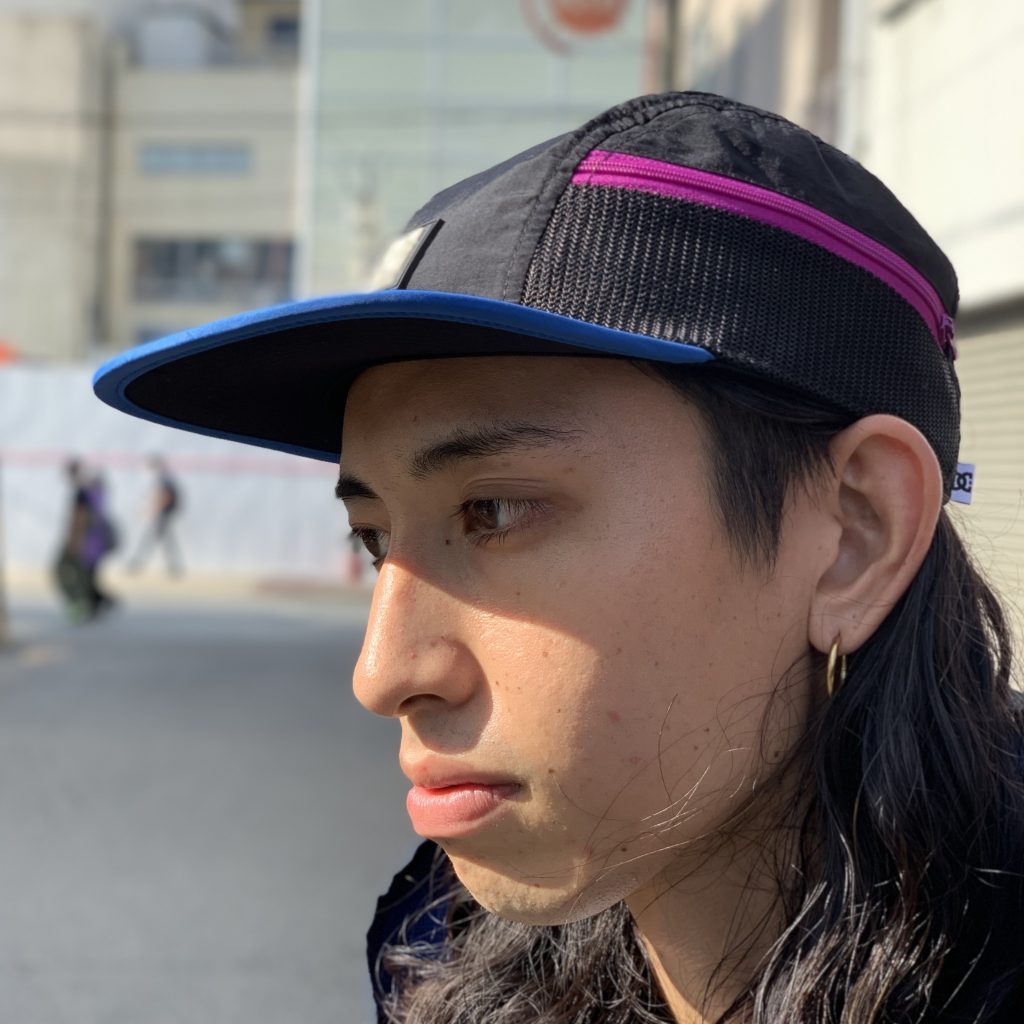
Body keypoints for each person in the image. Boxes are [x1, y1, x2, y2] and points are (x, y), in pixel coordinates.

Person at [94, 92, 1024, 1022]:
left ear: (855, 534)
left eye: (493, 512)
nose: (383, 675)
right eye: (375, 538)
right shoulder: (438, 959)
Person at [55, 459, 117, 620]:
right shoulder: (94, 487)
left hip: (86, 541)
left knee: (64, 569)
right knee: (89, 576)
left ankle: (81, 604)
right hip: (96, 541)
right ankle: (98, 604)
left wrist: (75, 541)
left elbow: (80, 518)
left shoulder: (83, 491)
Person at [128, 454, 183, 575]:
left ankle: (136, 564)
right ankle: (174, 567)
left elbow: (165, 496)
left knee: (153, 540)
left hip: (163, 514)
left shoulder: (163, 477)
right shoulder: (165, 477)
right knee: (163, 541)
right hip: (163, 514)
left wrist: (155, 509)